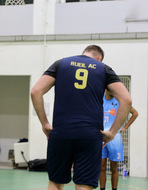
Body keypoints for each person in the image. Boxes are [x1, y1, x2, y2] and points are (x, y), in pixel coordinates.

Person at [31, 45, 132, 190]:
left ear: (84, 53)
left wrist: (45, 123)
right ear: (99, 58)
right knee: (84, 185)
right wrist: (112, 132)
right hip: (89, 136)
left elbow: (35, 91)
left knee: (55, 183)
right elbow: (127, 100)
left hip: (61, 132)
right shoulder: (103, 68)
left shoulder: (61, 64)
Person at [99, 90, 138, 190]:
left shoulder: (119, 101)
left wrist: (124, 127)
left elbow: (135, 113)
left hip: (114, 138)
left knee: (114, 168)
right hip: (101, 137)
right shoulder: (99, 99)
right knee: (101, 167)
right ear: (105, 89)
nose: (112, 90)